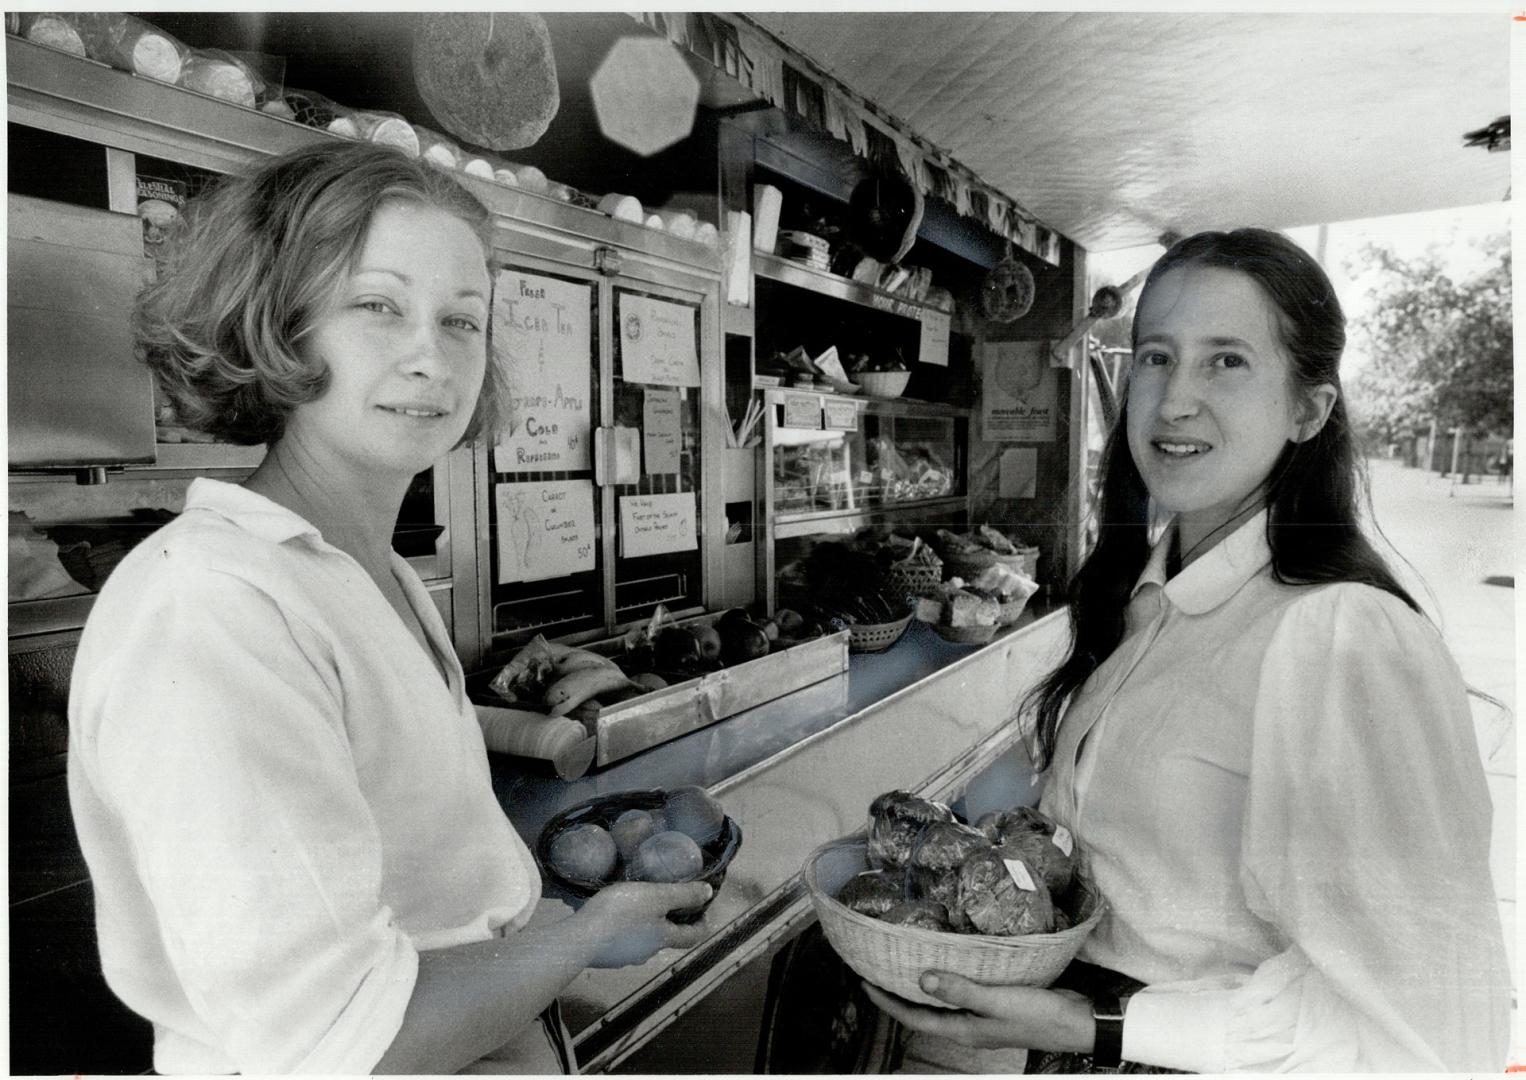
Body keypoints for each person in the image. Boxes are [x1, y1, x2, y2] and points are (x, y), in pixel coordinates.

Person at [67, 141, 712, 1075]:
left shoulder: (364, 570)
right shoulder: (211, 604)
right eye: (377, 306)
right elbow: (339, 1040)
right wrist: (577, 938)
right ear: (277, 326)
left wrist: (550, 936)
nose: (429, 356)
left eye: (463, 320)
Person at [864, 229, 1512, 1072]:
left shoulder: (1340, 636)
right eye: (1159, 357)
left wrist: (1096, 1026)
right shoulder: (1148, 602)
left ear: (1308, 410)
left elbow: (1427, 1036)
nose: (1174, 401)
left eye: (1227, 362)